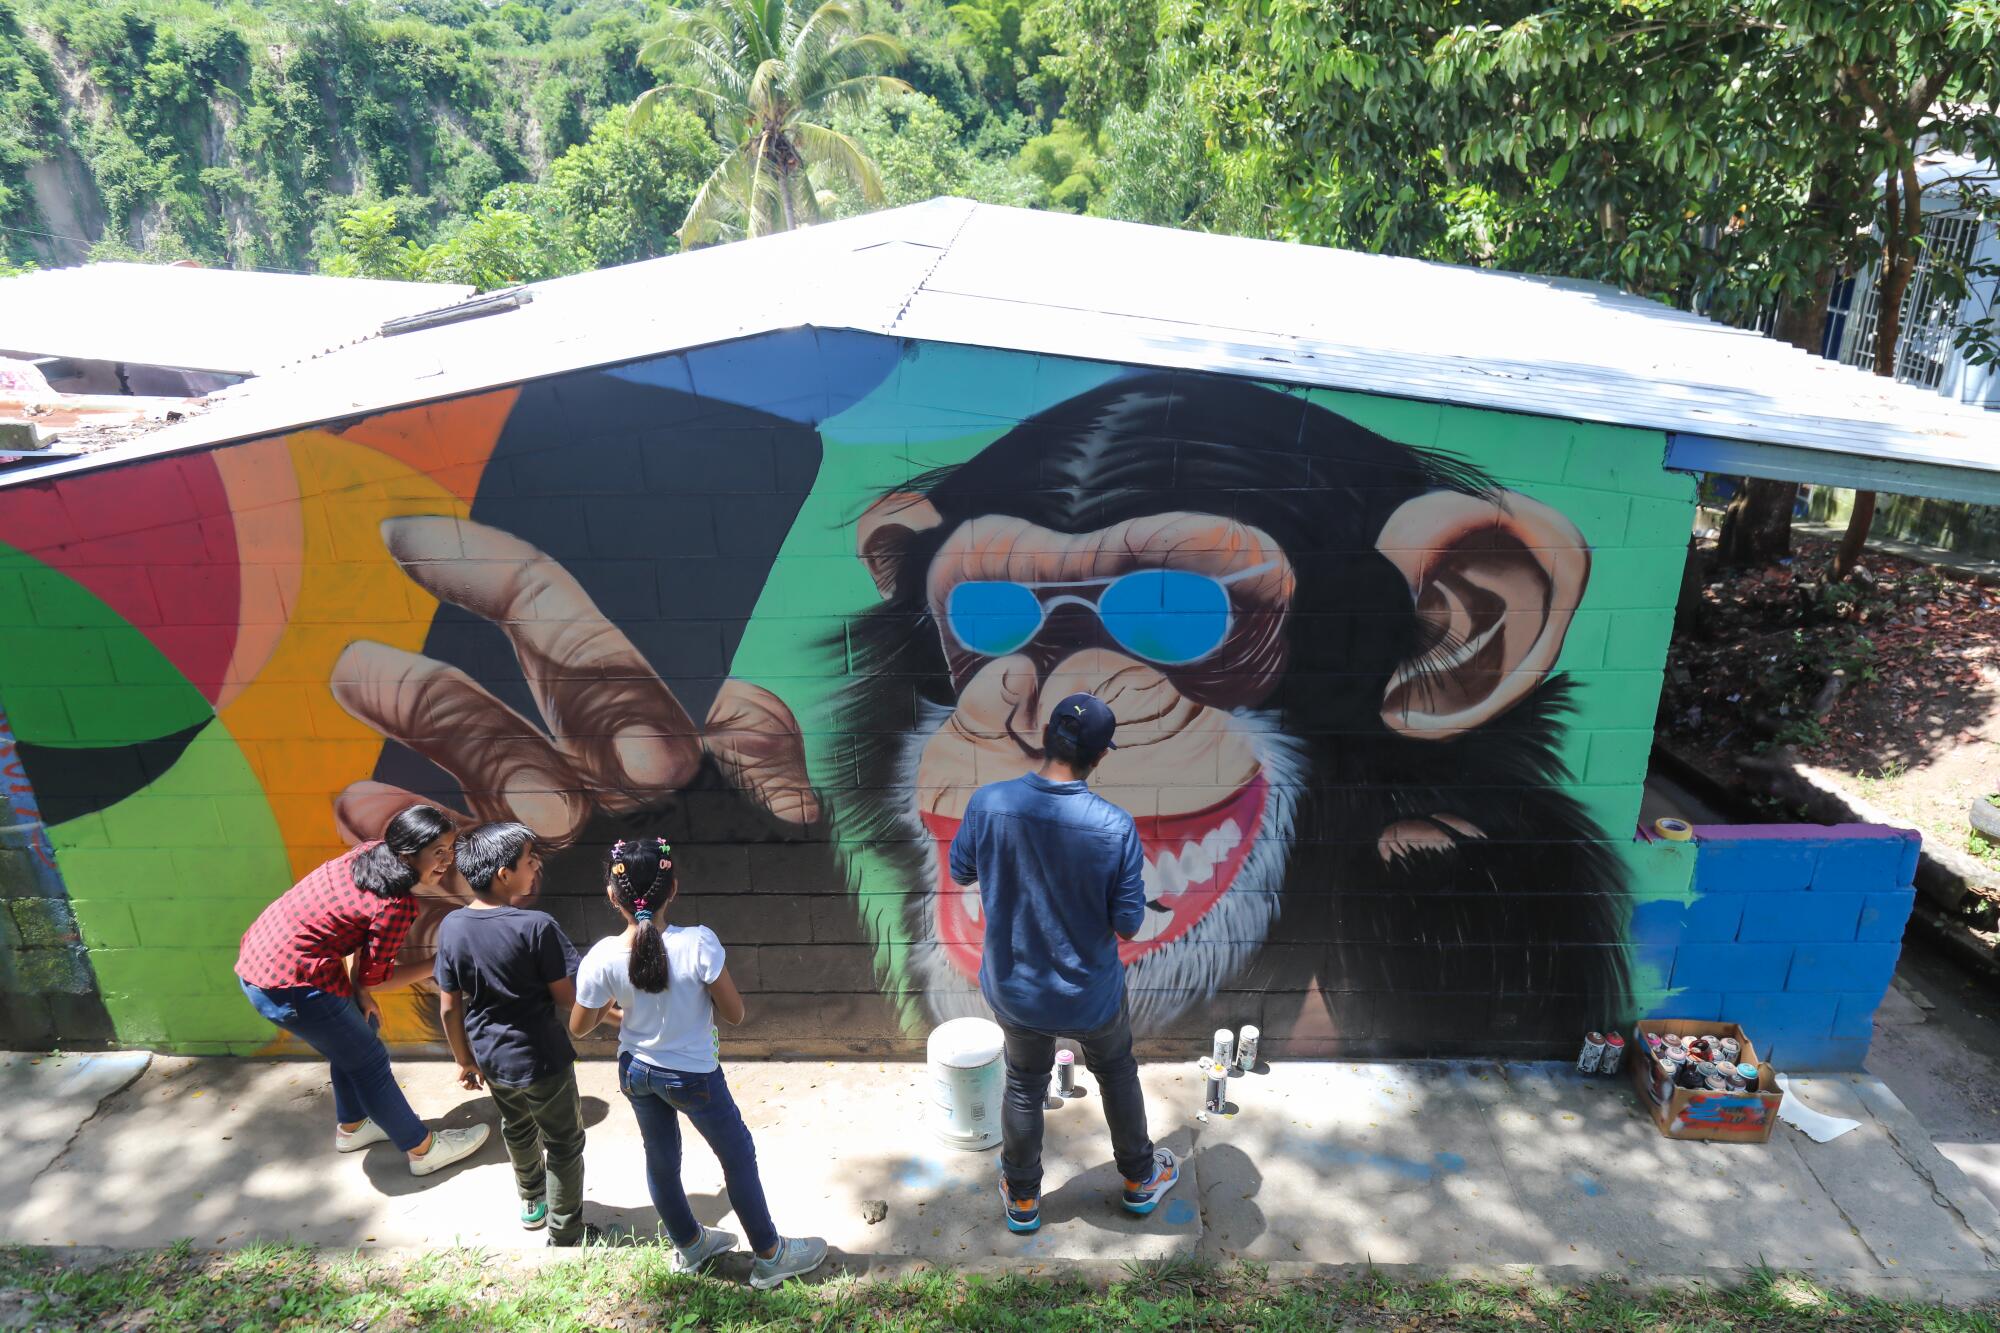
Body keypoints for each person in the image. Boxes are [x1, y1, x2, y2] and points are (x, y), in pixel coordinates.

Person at [948, 691, 1178, 1234]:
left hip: (1015, 989)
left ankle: (1023, 1199)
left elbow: (961, 871)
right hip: (1090, 994)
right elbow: (1128, 923)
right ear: (1100, 757)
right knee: (1117, 1072)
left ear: (1046, 735)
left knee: (1024, 1083)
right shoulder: (1114, 826)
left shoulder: (988, 803)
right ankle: (1141, 1179)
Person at [569, 836, 827, 1287]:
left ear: (613, 897)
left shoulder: (601, 957)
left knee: (662, 1160)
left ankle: (690, 1245)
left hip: (636, 1071)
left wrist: (624, 1013)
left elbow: (578, 1026)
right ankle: (770, 1254)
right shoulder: (698, 943)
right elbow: (735, 1014)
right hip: (694, 1077)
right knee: (738, 1156)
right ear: (674, 889)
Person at [235, 804, 490, 1176]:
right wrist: (443, 962)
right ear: (406, 853)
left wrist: (361, 990)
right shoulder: (396, 905)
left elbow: (358, 940)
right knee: (369, 1061)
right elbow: (381, 977)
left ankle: (352, 1126)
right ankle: (423, 1150)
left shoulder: (369, 853)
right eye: (438, 852)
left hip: (261, 963)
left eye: (450, 850)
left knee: (356, 1038)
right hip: (292, 985)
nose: (447, 861)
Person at [436, 822, 596, 1246]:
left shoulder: (452, 926)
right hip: (541, 1056)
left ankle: (532, 1201)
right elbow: (566, 998)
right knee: (563, 1141)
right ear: (503, 874)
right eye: (529, 859)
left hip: (491, 1056)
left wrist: (463, 1060)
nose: (536, 865)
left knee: (518, 1128)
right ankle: (566, 1229)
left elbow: (450, 1006)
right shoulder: (536, 926)